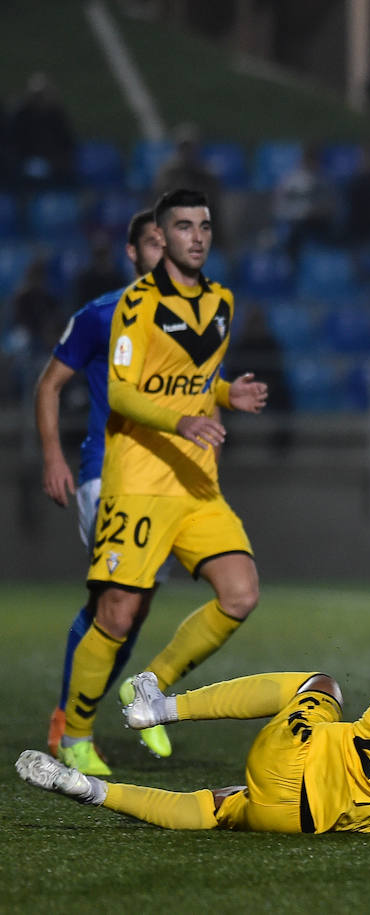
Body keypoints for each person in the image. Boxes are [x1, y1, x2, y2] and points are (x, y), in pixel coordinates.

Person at [56, 188, 269, 777]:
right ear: (163, 237)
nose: (196, 236)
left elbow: (197, 376)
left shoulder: (222, 301)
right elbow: (122, 391)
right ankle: (74, 735)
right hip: (139, 481)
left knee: (240, 593)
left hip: (198, 485)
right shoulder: (136, 305)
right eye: (183, 226)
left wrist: (229, 394)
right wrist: (185, 420)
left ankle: (149, 686)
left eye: (203, 226)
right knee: (117, 614)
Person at [16, 632, 370, 835]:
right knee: (212, 808)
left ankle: (160, 708)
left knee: (321, 683)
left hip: (290, 754)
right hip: (302, 818)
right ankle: (88, 789)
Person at [34, 209, 166, 762]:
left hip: (161, 482)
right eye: (155, 243)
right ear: (133, 253)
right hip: (103, 473)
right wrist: (52, 457)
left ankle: (88, 709)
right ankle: (71, 722)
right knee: (121, 597)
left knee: (132, 601)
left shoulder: (196, 323)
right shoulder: (101, 314)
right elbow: (49, 386)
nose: (169, 250)